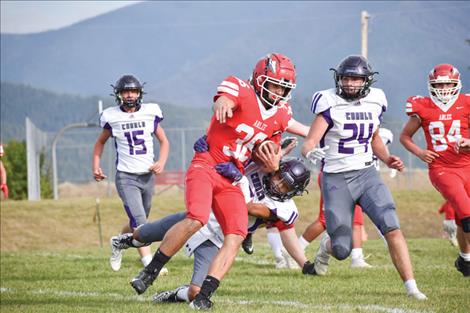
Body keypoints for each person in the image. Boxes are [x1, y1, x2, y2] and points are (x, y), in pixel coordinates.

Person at [128, 53, 309, 310]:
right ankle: (150, 273)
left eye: (283, 87)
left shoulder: (280, 115)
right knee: (195, 218)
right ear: (259, 79)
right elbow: (225, 98)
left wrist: (277, 160)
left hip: (232, 175)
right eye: (274, 84)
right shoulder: (242, 89)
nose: (278, 92)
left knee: (235, 234)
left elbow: (273, 149)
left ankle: (203, 297)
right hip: (208, 163)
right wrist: (222, 104)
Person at [301, 55, 427, 300]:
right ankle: (325, 249)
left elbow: (374, 138)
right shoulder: (329, 102)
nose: (349, 84)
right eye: (346, 78)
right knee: (341, 250)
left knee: (391, 224)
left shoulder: (376, 100)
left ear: (366, 81)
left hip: (367, 173)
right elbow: (309, 141)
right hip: (336, 179)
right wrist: (310, 152)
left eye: (355, 79)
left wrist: (388, 158)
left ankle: (412, 287)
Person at [112, 157, 313, 304]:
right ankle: (123, 242)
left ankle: (172, 295)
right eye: (278, 177)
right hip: (198, 218)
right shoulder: (258, 168)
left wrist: (240, 181)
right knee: (143, 234)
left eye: (285, 185)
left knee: (195, 292)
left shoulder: (287, 210)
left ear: (294, 191)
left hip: (215, 239)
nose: (278, 184)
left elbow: (249, 208)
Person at [92, 74, 170, 272]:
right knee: (142, 224)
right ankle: (151, 266)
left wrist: (161, 162)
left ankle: (119, 241)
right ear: (118, 94)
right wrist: (96, 165)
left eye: (133, 91)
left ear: (139, 93)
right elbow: (100, 142)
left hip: (147, 176)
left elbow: (164, 141)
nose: (129, 95)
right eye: (126, 91)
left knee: (137, 222)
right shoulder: (112, 116)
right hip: (126, 177)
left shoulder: (150, 112)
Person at [400, 63, 470, 277]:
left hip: (467, 165)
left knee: (461, 216)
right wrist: (420, 153)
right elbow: (404, 137)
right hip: (442, 168)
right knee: (467, 213)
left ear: (456, 83)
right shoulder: (423, 106)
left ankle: (465, 260)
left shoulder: (466, 103)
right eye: (439, 84)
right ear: (431, 85)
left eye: (448, 83)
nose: (444, 88)